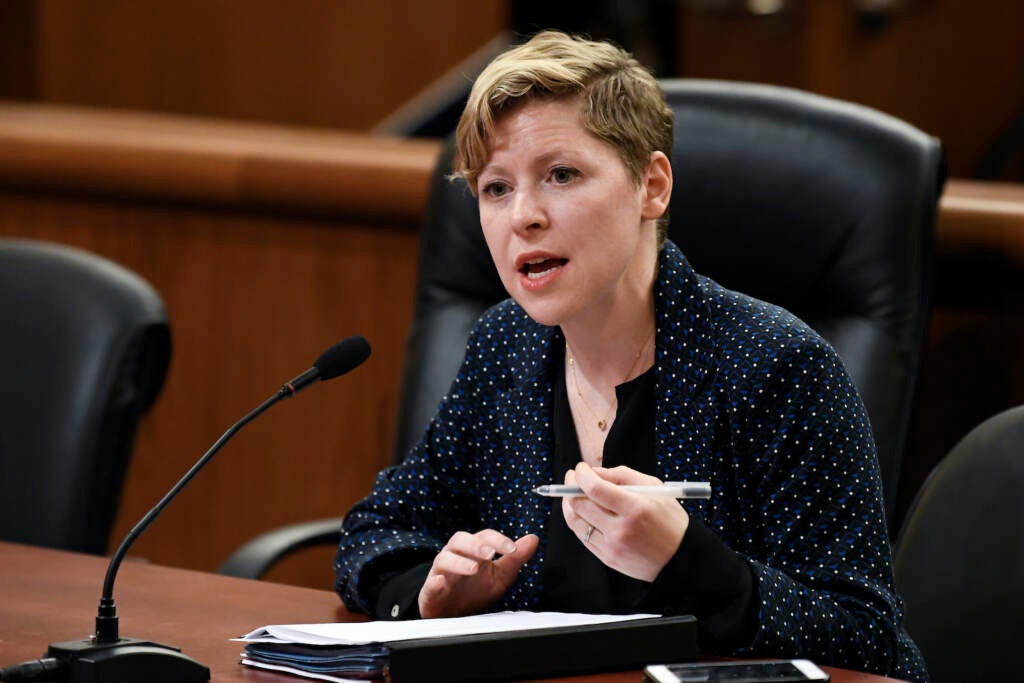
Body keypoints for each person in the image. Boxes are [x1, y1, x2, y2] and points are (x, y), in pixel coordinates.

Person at [335, 30, 928, 683]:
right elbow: (376, 531)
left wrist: (689, 560)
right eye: (495, 188)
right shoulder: (506, 345)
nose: (523, 216)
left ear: (652, 185)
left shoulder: (775, 364)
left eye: (561, 174)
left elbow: (866, 638)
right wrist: (429, 592)